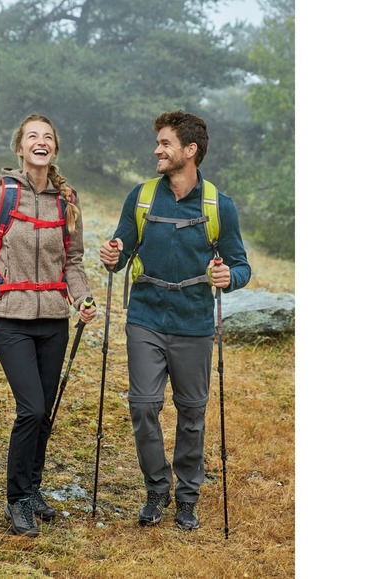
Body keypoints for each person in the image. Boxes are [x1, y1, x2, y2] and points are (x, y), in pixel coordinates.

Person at [99, 110, 251, 531]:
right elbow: (121, 251)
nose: (157, 151)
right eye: (158, 143)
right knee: (144, 405)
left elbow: (240, 266)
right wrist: (113, 256)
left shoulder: (219, 205)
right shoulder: (142, 196)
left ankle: (187, 497)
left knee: (191, 413)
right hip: (145, 317)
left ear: (190, 150)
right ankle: (156, 488)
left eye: (165, 144)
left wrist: (228, 277)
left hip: (194, 324)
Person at [0, 113, 97, 537]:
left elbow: (72, 261)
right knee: (31, 408)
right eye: (32, 137)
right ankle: (17, 500)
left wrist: (83, 298)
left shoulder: (67, 199)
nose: (41, 142)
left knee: (45, 413)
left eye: (48, 137)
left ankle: (33, 488)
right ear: (20, 148)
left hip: (54, 320)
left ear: (54, 148)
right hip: (11, 319)